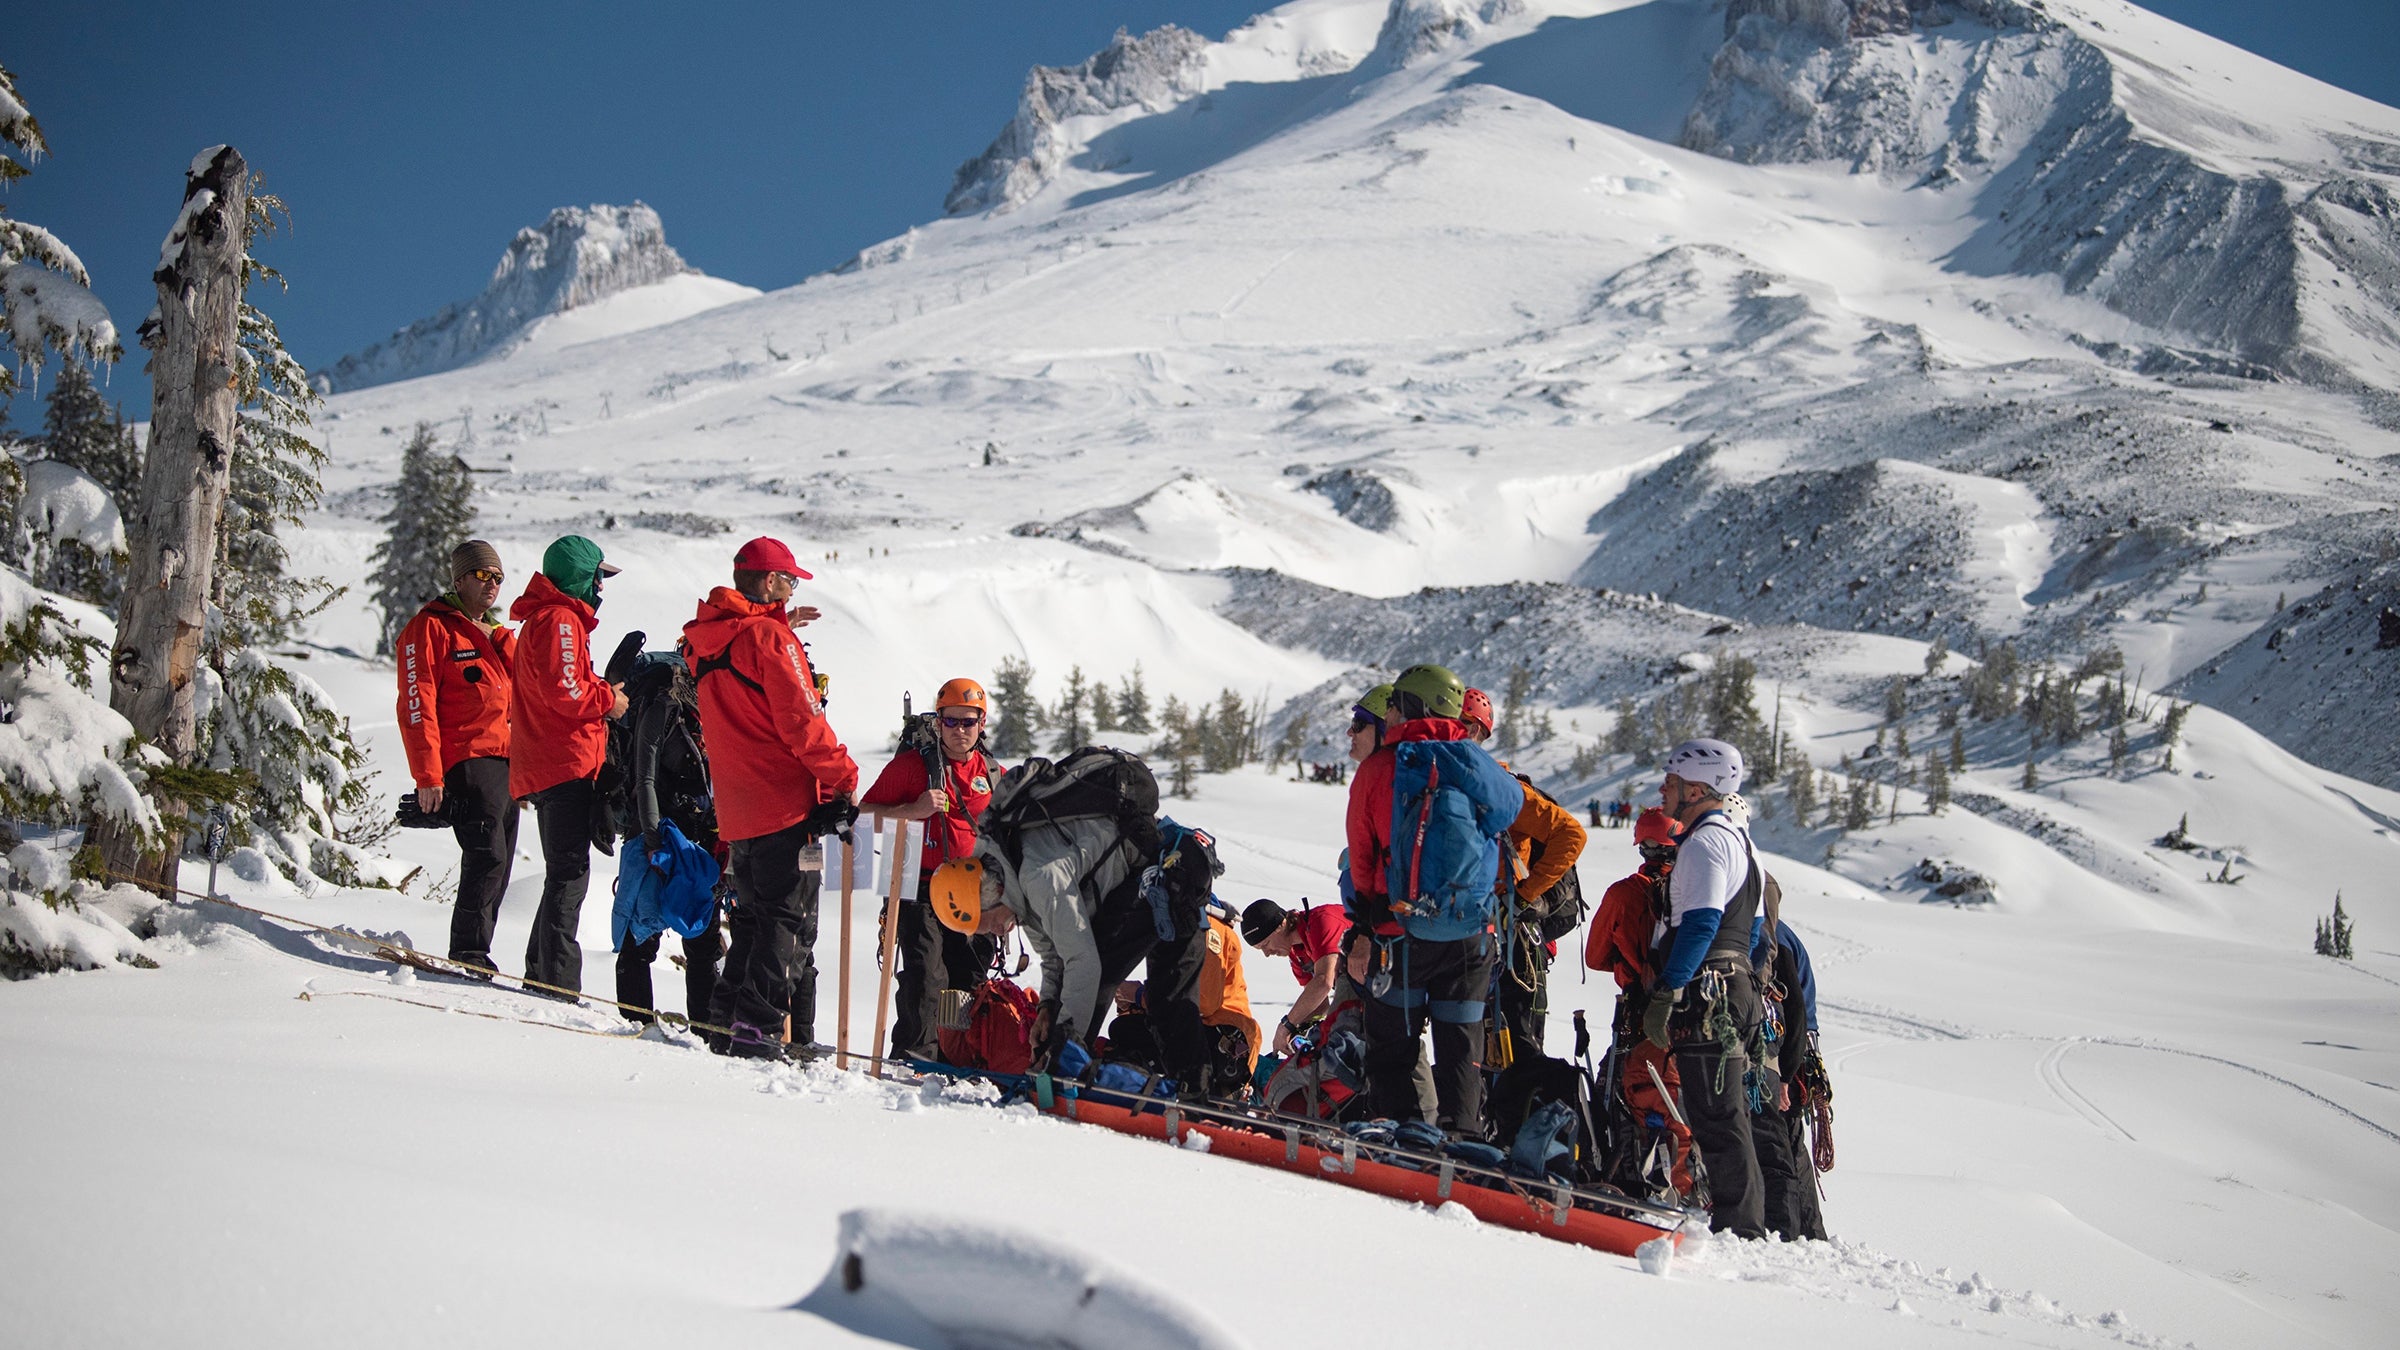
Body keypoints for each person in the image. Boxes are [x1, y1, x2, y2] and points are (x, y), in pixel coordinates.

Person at [682, 537, 858, 1061]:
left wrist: (777, 623)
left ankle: (724, 1022)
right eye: (788, 580)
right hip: (784, 803)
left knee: (754, 923)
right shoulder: (769, 641)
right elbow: (802, 722)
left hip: (738, 811)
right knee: (785, 922)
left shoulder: (705, 640)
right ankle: (755, 1031)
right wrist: (844, 777)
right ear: (766, 582)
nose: (792, 588)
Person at [1345, 663, 1507, 1137]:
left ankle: (1405, 1134)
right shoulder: (1476, 762)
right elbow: (1509, 808)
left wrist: (1364, 924)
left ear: (1413, 705)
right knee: (1460, 1045)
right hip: (1470, 935)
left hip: (1400, 935)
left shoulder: (1381, 767)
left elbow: (1362, 854)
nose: (1389, 711)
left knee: (1392, 1044)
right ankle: (1463, 1140)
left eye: (1395, 702)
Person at [1641, 738, 1768, 1237]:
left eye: (1671, 782)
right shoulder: (1741, 840)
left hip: (1708, 990)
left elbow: (1700, 923)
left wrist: (1670, 988)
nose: (1662, 789)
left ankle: (1741, 1227)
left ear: (1697, 788)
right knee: (1724, 1112)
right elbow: (1754, 933)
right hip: (1733, 985)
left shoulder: (1704, 843)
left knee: (1715, 1115)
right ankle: (1743, 1220)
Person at [507, 535, 629, 996]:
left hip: (553, 760)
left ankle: (542, 971)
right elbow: (566, 690)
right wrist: (609, 700)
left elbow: (561, 683)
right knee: (569, 874)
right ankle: (555, 984)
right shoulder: (560, 619)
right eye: (599, 577)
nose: (601, 588)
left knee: (565, 871)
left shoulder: (550, 618)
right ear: (581, 576)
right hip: (563, 762)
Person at [395, 540, 518, 977]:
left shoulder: (498, 637)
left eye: (498, 577)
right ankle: (467, 954)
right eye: (483, 575)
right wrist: (428, 775)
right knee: (487, 856)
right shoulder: (430, 628)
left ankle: (476, 952)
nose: (492, 585)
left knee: (499, 866)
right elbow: (416, 703)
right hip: (467, 760)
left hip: (507, 764)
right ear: (460, 578)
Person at [860, 677, 999, 1061]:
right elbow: (864, 817)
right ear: (938, 722)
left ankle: (954, 1058)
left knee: (965, 982)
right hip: (918, 886)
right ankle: (913, 1059)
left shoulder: (993, 773)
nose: (959, 730)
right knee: (925, 979)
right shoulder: (909, 768)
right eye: (950, 722)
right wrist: (912, 811)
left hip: (973, 893)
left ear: (981, 723)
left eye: (967, 722)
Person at [1457, 686, 1587, 1057]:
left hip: (1514, 942)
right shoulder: (1457, 785)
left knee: (1517, 1047)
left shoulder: (1503, 789)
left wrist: (1526, 895)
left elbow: (1570, 834)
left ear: (1472, 731)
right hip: (1482, 934)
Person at [612, 645, 726, 1026]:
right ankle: (637, 1025)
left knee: (702, 941)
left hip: (699, 840)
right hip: (659, 835)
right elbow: (644, 775)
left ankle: (709, 1033)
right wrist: (651, 839)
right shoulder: (665, 703)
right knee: (641, 935)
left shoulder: (719, 709)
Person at [1584, 806, 1695, 1199]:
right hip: (1685, 1017)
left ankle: (1621, 1177)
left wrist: (1625, 960)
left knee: (1618, 1091)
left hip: (1634, 1013)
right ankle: (1684, 1180)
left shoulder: (1623, 894)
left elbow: (1594, 958)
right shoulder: (1693, 894)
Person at [1752, 917, 1829, 1241]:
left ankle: (1789, 1231)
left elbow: (1792, 1005)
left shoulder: (1766, 936)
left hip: (1784, 1051)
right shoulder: (1781, 932)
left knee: (1777, 1143)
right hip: (1797, 1050)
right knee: (1792, 1143)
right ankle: (1809, 1234)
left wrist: (1786, 1068)